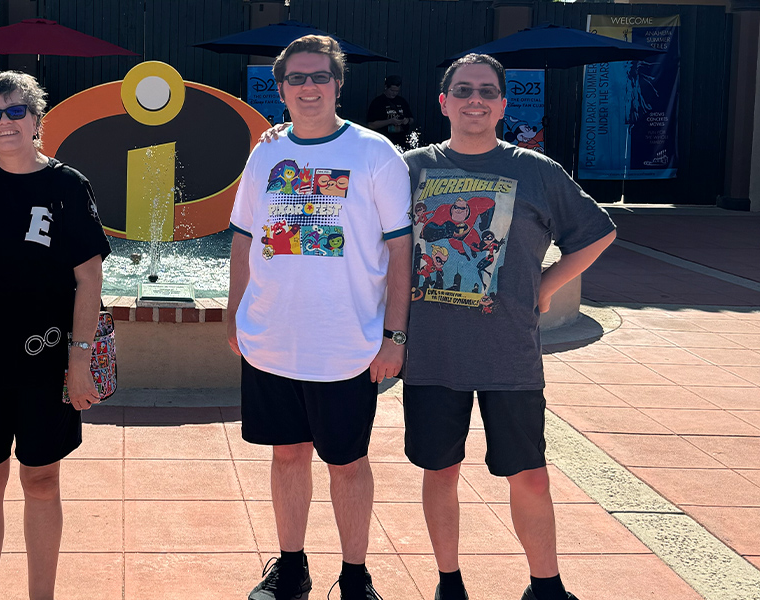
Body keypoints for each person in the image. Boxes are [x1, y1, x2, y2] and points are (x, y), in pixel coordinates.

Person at [401, 54, 616, 600]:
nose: (476, 99)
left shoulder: (536, 170)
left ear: (500, 105)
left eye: (488, 92)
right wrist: (280, 135)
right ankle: (449, 582)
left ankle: (546, 586)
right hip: (432, 351)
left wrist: (545, 286)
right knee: (440, 470)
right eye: (464, 90)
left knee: (530, 474)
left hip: (509, 352)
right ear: (444, 101)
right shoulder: (410, 168)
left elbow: (597, 232)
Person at [228, 35, 412, 600]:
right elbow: (242, 239)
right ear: (280, 88)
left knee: (348, 463)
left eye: (319, 77)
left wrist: (395, 335)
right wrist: (237, 317)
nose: (309, 88)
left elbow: (401, 251)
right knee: (287, 456)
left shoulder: (375, 153)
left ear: (338, 84)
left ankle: (355, 575)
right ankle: (291, 566)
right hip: (273, 339)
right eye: (297, 79)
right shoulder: (266, 151)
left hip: (347, 344)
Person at [0, 71, 111, 600]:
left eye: (16, 111)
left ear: (37, 118)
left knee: (41, 480)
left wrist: (80, 357)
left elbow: (88, 277)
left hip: (47, 359)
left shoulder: (68, 185)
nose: (5, 123)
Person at [366, 75, 415, 149]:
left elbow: (412, 119)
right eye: (392, 90)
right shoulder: (377, 102)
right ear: (386, 87)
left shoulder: (402, 101)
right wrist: (390, 121)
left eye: (397, 91)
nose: (394, 93)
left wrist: (406, 120)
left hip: (401, 141)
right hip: (384, 141)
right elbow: (371, 125)